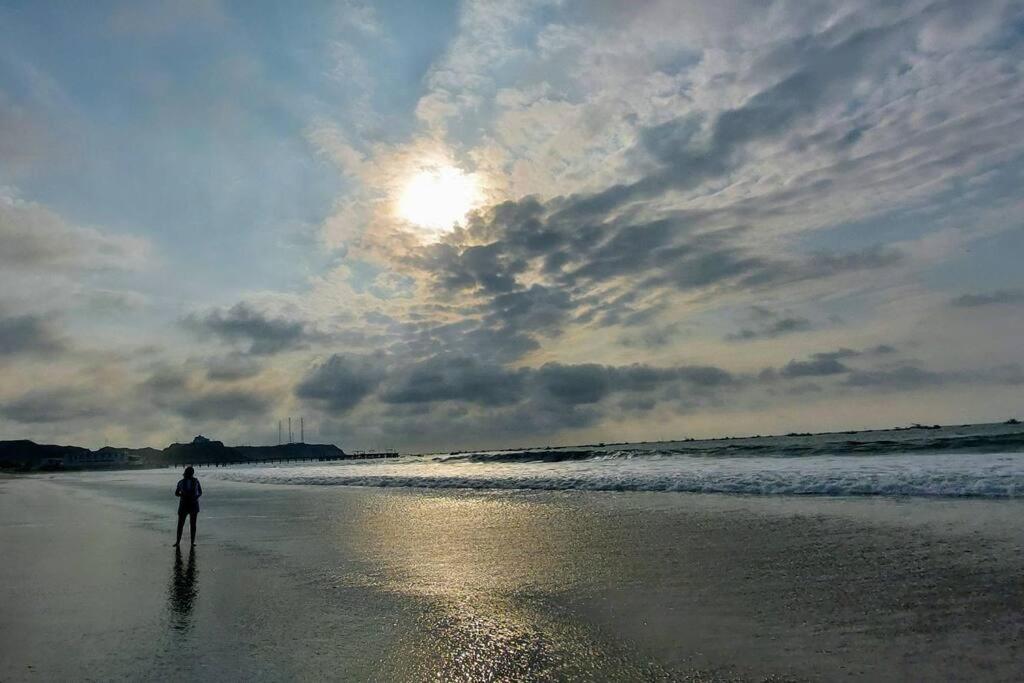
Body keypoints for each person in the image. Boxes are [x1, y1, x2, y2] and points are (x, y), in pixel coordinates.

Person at [174, 466, 202, 547]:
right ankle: (186, 542)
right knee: (187, 524)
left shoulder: (184, 482)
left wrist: (195, 496)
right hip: (189, 504)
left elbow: (200, 492)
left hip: (188, 504)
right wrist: (184, 495)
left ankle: (183, 542)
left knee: (184, 524)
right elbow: (176, 493)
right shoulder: (184, 482)